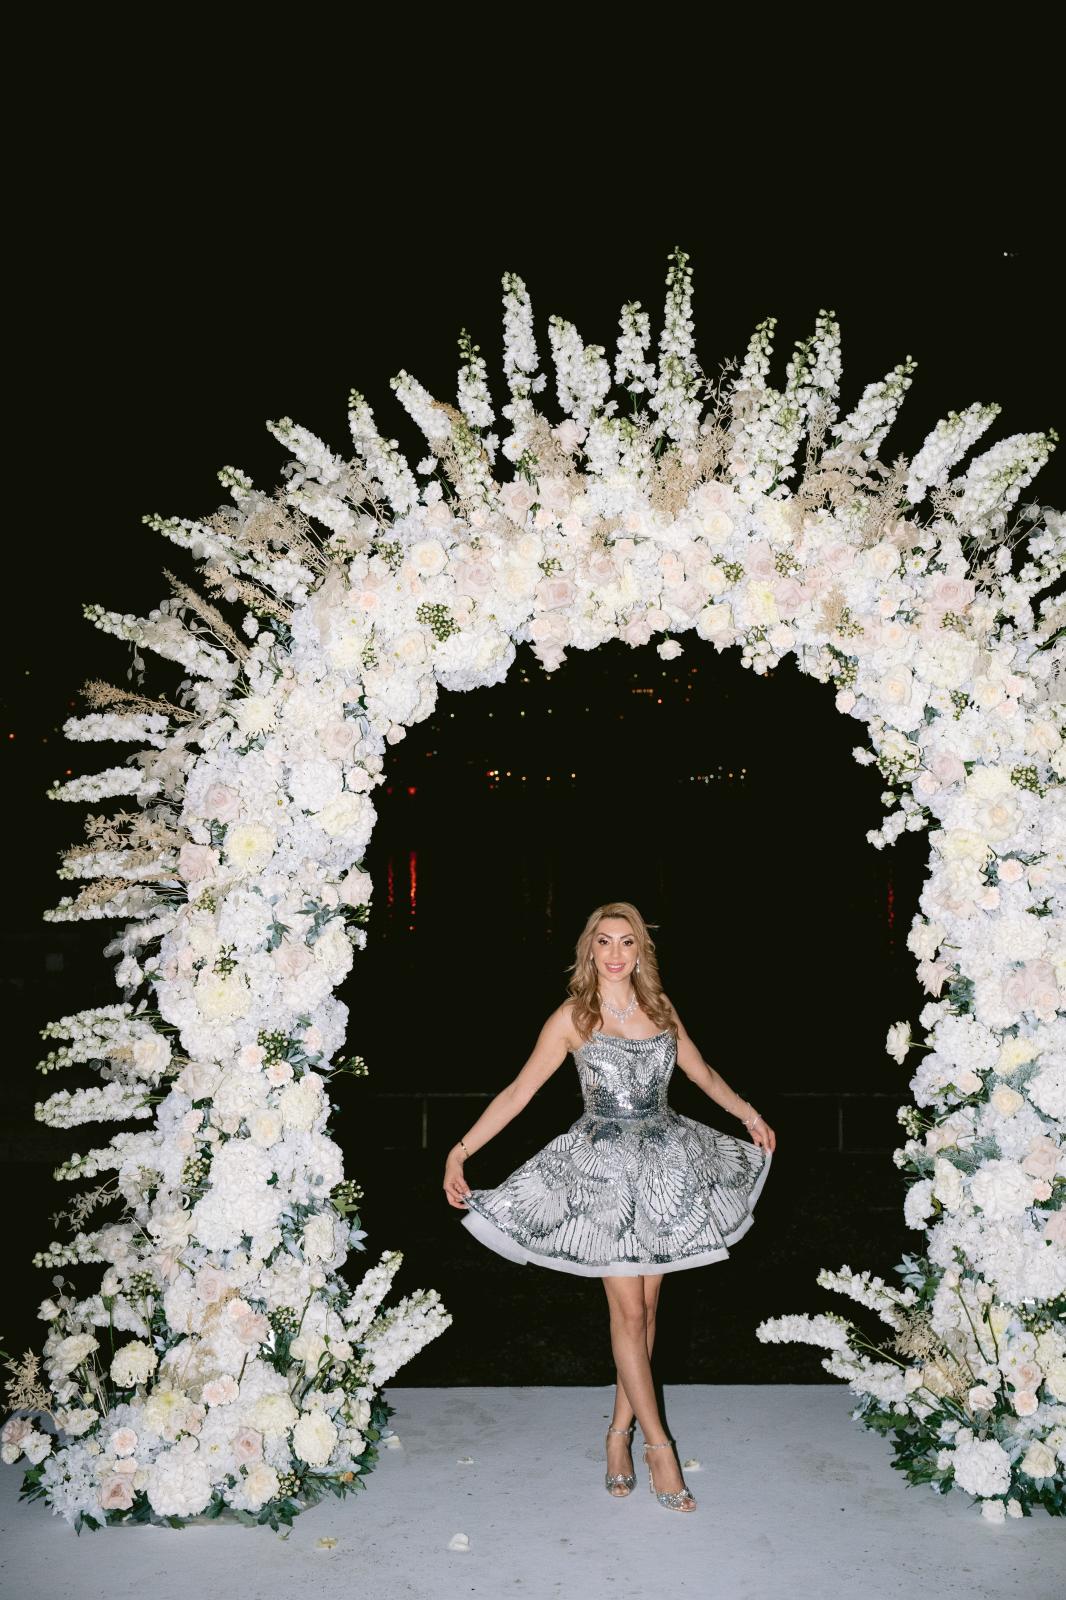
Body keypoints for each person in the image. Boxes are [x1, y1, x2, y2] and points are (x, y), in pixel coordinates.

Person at [442, 900, 776, 1513]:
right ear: (589, 950)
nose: (616, 953)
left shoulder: (661, 1008)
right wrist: (459, 1152)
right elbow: (519, 1092)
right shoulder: (573, 1017)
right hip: (603, 1179)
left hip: (666, 1170)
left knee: (647, 1315)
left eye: (627, 942)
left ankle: (616, 1435)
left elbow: (700, 1073)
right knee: (627, 1315)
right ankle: (659, 1448)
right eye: (605, 941)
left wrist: (748, 1114)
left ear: (640, 952)